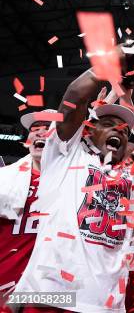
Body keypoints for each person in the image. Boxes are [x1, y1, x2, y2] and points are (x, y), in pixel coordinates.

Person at [14, 63, 134, 312]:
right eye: (108, 123)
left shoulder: (132, 178)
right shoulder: (66, 154)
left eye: (124, 130)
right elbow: (74, 97)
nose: (119, 131)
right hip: (52, 297)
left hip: (104, 305)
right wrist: (110, 63)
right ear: (88, 131)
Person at [0, 109, 56, 310]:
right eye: (35, 129)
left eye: (47, 129)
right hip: (5, 283)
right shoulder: (4, 179)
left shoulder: (74, 181)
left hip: (50, 291)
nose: (40, 133)